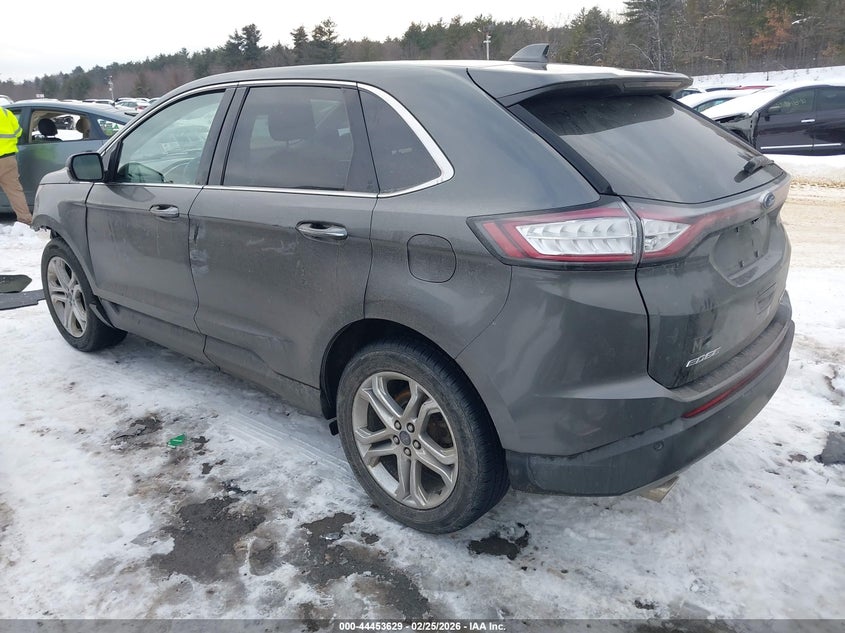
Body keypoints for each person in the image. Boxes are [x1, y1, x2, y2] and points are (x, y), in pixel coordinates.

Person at [0, 105, 33, 225]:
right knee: (14, 191)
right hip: (8, 159)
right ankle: (25, 220)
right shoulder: (6, 113)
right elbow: (18, 133)